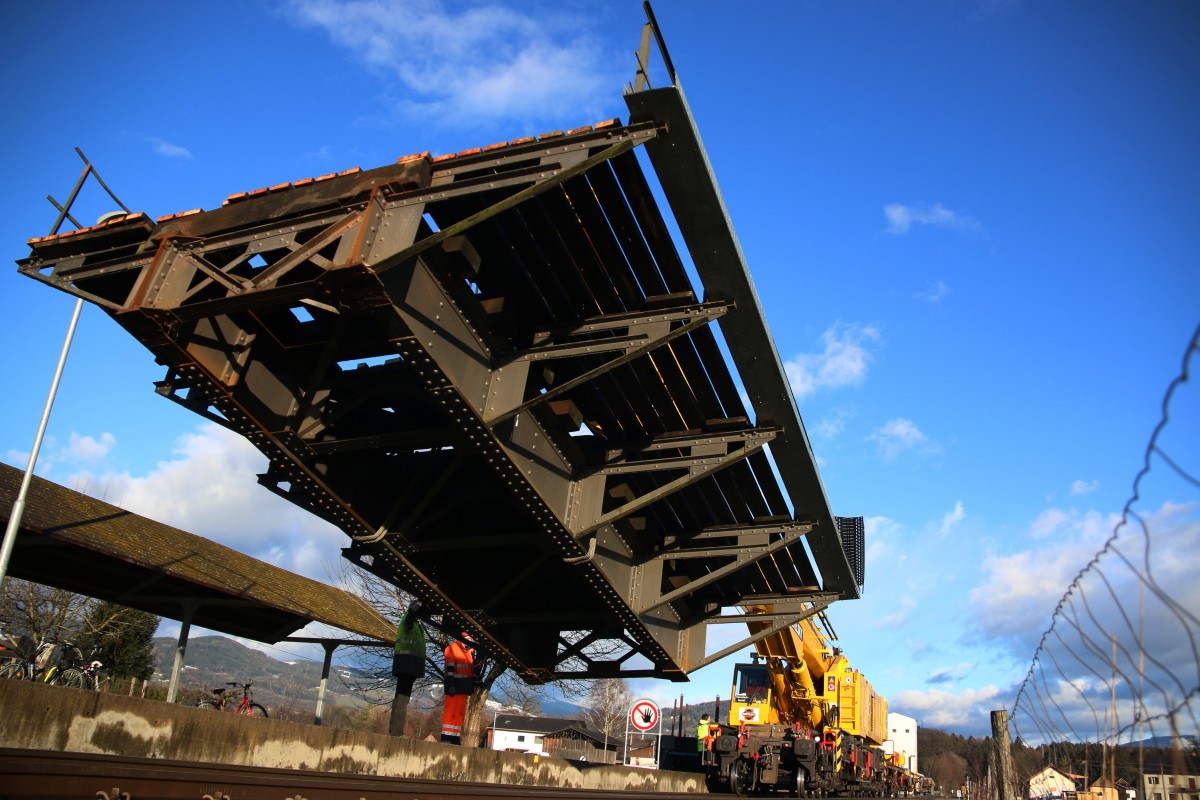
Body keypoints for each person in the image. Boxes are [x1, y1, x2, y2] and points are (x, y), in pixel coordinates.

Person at [388, 601, 426, 737]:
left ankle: (396, 731)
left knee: (402, 699)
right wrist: (414, 609)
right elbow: (409, 618)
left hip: (410, 665)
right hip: (406, 664)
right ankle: (396, 732)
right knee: (401, 699)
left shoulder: (415, 625)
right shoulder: (408, 621)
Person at [441, 630, 475, 745]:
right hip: (455, 687)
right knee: (451, 712)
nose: (471, 641)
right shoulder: (453, 649)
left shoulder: (468, 652)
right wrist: (450, 685)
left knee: (459, 714)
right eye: (469, 638)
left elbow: (469, 672)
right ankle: (446, 737)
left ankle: (455, 737)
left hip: (463, 688)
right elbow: (449, 670)